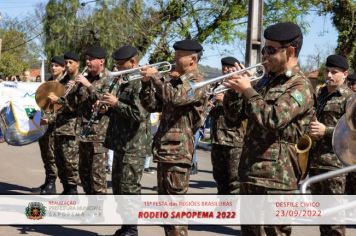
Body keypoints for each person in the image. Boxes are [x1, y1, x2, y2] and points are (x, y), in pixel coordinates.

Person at [224, 22, 315, 236]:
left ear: (290, 51)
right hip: (250, 171)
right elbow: (233, 117)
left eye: (271, 50)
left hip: (277, 178)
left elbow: (273, 119)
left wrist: (247, 91)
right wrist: (235, 91)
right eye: (264, 49)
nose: (265, 55)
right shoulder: (264, 81)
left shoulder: (300, 86)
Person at [140, 39, 207, 236]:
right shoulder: (174, 80)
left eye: (179, 56)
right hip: (164, 149)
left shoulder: (198, 81)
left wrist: (156, 77)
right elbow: (151, 105)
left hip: (179, 151)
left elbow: (176, 98)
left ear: (192, 59)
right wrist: (146, 84)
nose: (175, 59)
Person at [102, 45, 150, 236]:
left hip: (134, 144)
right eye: (117, 64)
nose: (119, 67)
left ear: (133, 62)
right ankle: (125, 225)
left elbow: (139, 114)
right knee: (118, 186)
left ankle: (132, 228)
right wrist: (108, 107)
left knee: (129, 188)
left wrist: (116, 103)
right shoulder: (124, 81)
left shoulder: (139, 82)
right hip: (120, 142)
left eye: (122, 64)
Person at [309, 54, 353, 236]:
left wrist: (326, 131)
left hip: (335, 165)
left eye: (334, 72)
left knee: (334, 220)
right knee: (322, 216)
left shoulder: (350, 99)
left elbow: (354, 133)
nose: (329, 75)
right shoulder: (320, 94)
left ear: (345, 74)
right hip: (315, 162)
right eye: (327, 71)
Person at [70, 46, 110, 194]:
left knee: (97, 175)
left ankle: (98, 210)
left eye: (90, 59)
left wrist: (88, 85)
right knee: (84, 173)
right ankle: (90, 207)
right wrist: (73, 89)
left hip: (98, 135)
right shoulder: (87, 78)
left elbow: (104, 100)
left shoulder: (108, 78)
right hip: (83, 133)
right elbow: (75, 105)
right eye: (86, 59)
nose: (87, 62)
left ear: (101, 61)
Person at [208, 56, 245, 194]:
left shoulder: (241, 86)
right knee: (219, 179)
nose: (226, 70)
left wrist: (224, 100)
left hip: (233, 139)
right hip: (217, 138)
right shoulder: (216, 85)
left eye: (229, 68)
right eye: (224, 68)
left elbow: (241, 112)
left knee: (234, 182)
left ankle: (233, 212)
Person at [48, 51, 81, 194]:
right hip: (58, 127)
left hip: (72, 129)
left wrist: (59, 100)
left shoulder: (82, 81)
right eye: (66, 63)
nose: (67, 65)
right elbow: (54, 107)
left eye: (70, 63)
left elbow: (79, 107)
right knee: (60, 162)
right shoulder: (61, 82)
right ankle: (66, 189)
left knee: (71, 163)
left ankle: (73, 191)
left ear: (77, 64)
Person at [35, 56, 66, 194]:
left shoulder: (65, 84)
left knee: (52, 155)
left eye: (57, 66)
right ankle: (48, 181)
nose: (53, 68)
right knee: (45, 153)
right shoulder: (48, 82)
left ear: (63, 67)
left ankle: (52, 183)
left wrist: (51, 119)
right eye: (52, 65)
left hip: (56, 124)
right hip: (44, 123)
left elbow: (64, 107)